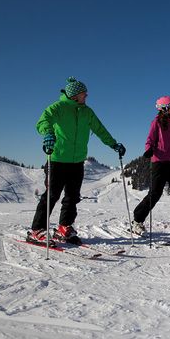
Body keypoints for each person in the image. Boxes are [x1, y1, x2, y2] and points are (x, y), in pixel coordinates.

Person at [28, 77, 125, 245]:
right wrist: (48, 133)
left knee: (72, 196)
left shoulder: (87, 112)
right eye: (83, 94)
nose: (86, 96)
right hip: (57, 159)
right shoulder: (57, 107)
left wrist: (113, 144)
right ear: (75, 95)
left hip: (77, 161)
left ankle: (64, 227)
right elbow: (43, 121)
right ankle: (36, 230)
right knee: (52, 195)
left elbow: (100, 130)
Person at [131, 96, 170, 236]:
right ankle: (137, 220)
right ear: (164, 108)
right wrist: (149, 149)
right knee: (155, 194)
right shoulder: (155, 123)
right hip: (159, 163)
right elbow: (149, 140)